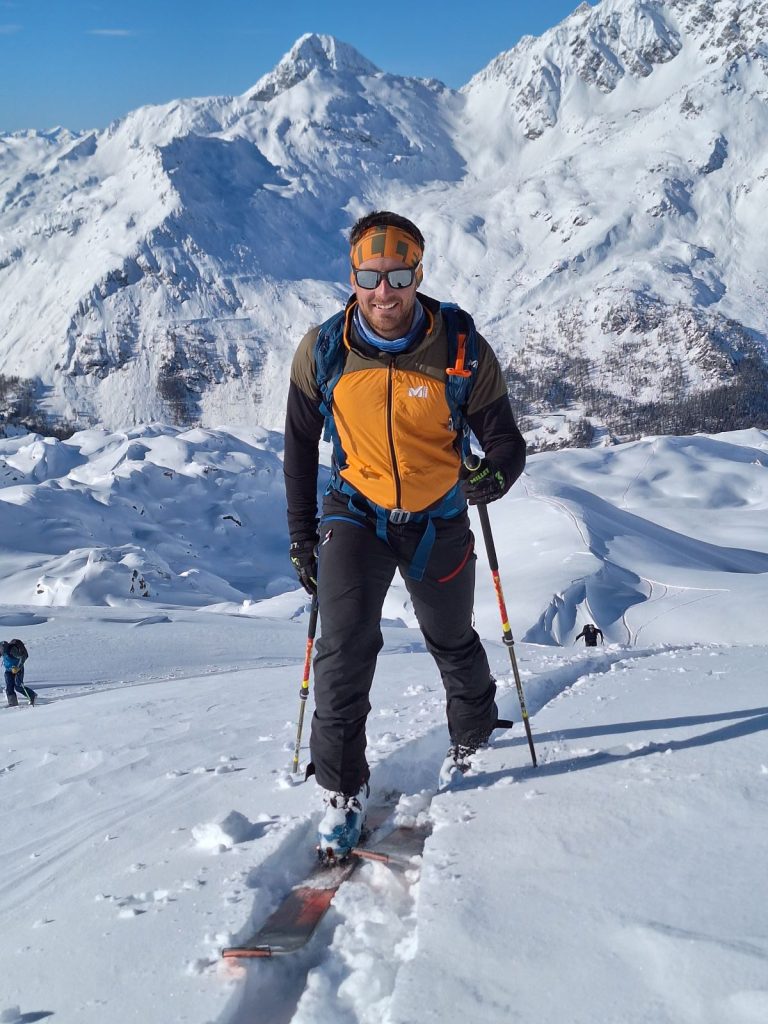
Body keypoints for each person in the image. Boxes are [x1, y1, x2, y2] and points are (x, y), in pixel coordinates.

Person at [283, 210, 526, 859]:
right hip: (354, 513)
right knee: (344, 645)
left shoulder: (459, 348)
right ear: (353, 276)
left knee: (451, 636)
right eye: (370, 274)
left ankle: (473, 732)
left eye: (397, 275)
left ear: (417, 275)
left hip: (438, 516)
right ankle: (340, 791)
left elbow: (504, 438)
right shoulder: (324, 350)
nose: (383, 290)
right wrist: (302, 536)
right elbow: (300, 444)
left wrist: (493, 475)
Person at [1, 638, 36, 707]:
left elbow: (23, 656)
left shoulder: (12, 650)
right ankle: (13, 703)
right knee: (9, 687)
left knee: (18, 686)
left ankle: (32, 695)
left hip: (18, 669)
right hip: (8, 671)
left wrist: (18, 667)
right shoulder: (2, 650)